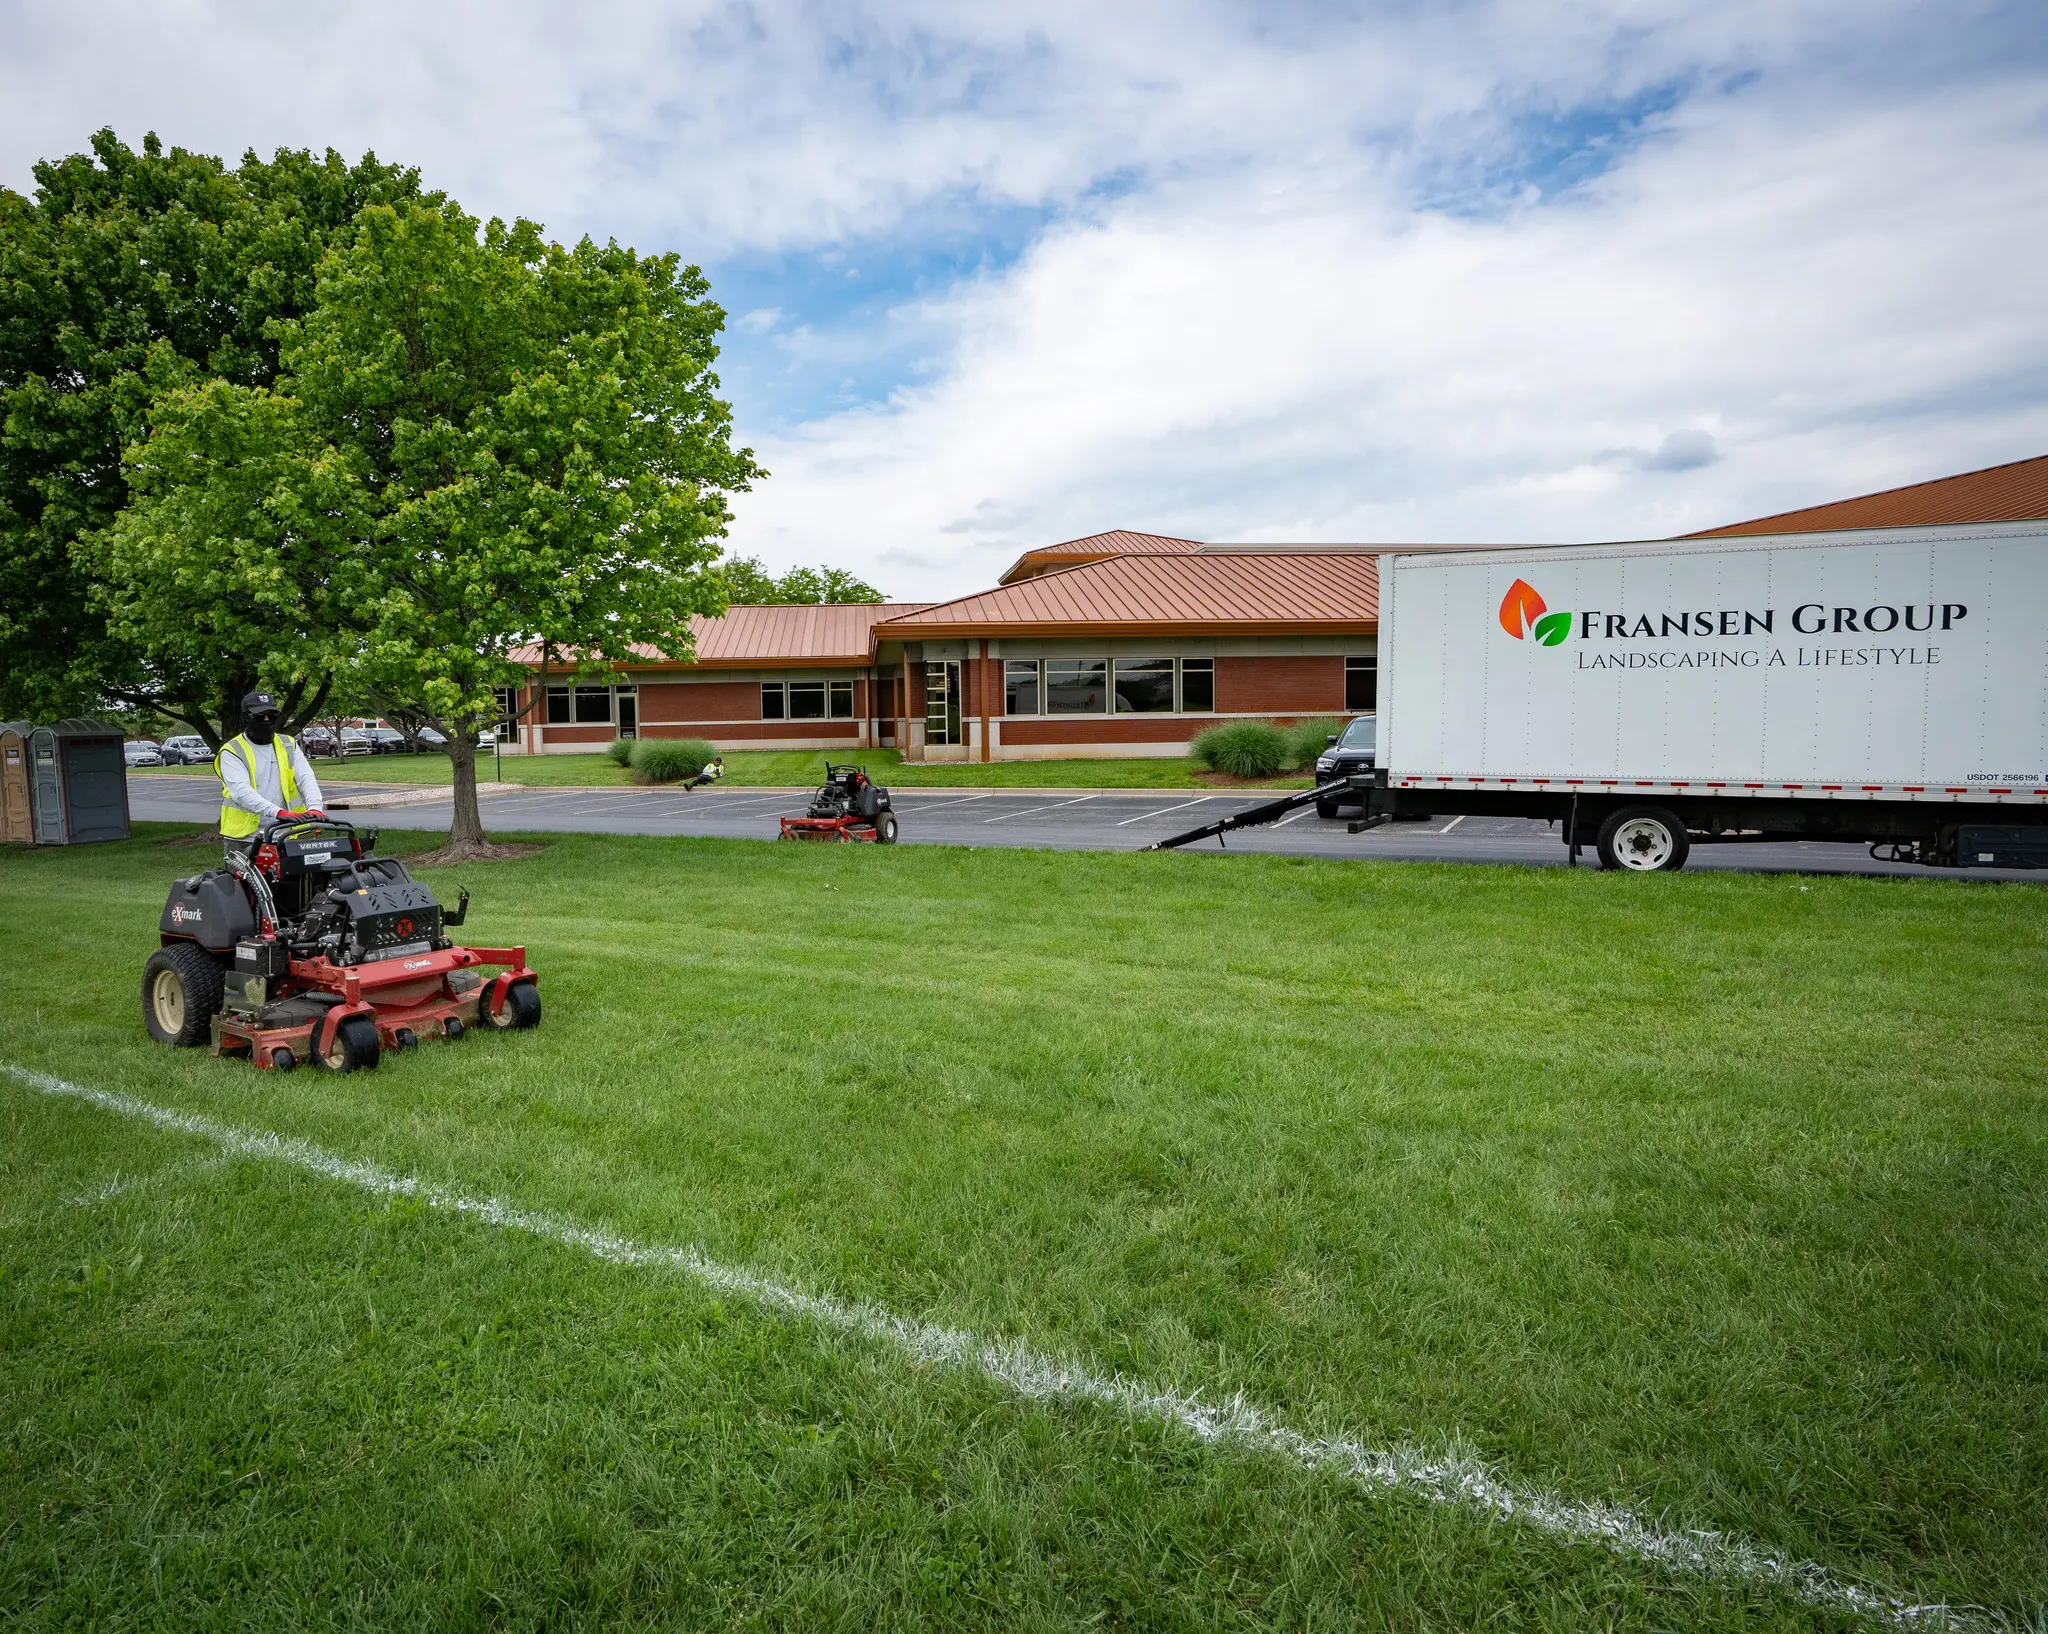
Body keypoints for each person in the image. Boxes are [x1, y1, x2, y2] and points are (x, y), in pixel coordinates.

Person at [216, 691, 326, 853]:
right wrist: (278, 812)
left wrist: (315, 807)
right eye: (260, 716)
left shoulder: (288, 744)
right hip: (245, 839)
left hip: (284, 834)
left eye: (272, 715)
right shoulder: (232, 751)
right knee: (243, 880)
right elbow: (240, 791)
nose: (267, 720)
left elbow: (306, 778)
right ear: (246, 717)